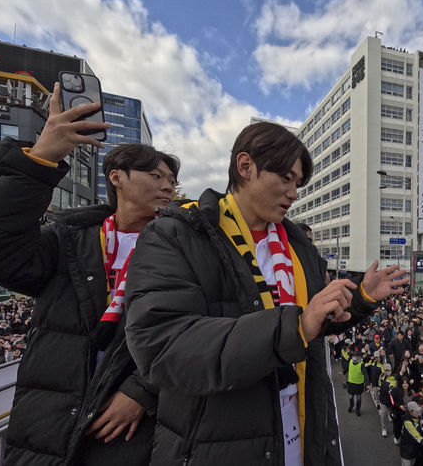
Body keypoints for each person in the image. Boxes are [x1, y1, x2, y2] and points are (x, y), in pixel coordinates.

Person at [124, 122, 407, 466]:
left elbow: (315, 326)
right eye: (286, 178)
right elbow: (161, 346)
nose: (294, 193)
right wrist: (294, 328)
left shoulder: (299, 246)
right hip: (218, 442)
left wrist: (360, 297)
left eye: (298, 183)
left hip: (301, 425)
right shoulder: (179, 234)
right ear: (245, 167)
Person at [0, 84, 179, 465]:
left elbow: (191, 328)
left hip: (136, 431)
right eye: (155, 175)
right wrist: (40, 160)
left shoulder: (180, 246)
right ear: (116, 177)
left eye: (171, 179)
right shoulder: (67, 239)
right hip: (48, 431)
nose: (167, 184)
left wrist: (143, 391)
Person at [400, 401, 423, 466]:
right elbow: (417, 436)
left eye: (418, 411)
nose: (419, 413)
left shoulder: (417, 417)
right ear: (411, 412)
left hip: (414, 448)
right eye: (417, 412)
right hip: (407, 451)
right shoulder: (407, 423)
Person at [346, 351, 370, 416]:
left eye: (355, 356)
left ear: (358, 357)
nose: (354, 357)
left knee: (359, 397)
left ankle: (357, 409)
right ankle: (351, 405)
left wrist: (367, 384)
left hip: (359, 384)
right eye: (353, 356)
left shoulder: (361, 364)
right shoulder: (350, 361)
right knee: (351, 397)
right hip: (351, 383)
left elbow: (365, 374)